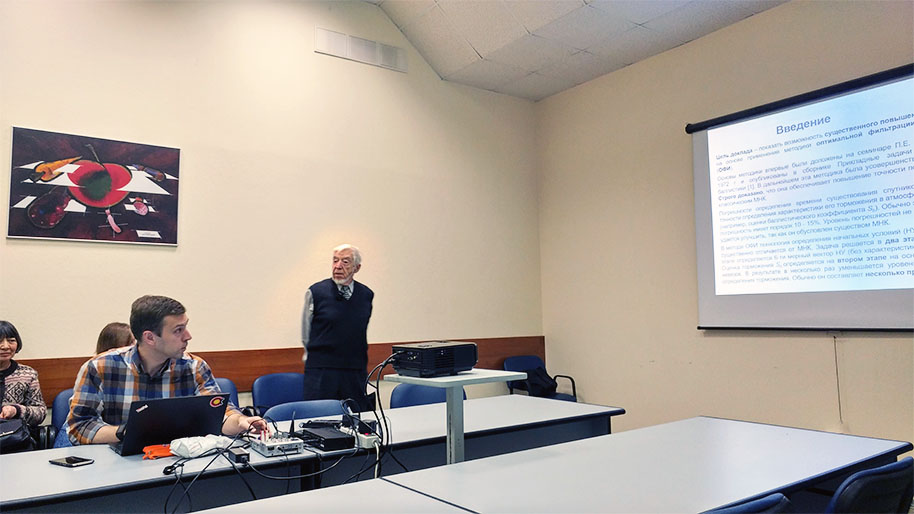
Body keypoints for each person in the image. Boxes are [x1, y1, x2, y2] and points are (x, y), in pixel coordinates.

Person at [66, 295, 266, 444]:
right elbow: (79, 427)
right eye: (178, 330)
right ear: (150, 338)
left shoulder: (194, 367)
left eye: (185, 327)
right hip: (117, 467)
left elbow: (220, 414)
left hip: (180, 465)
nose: (188, 336)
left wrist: (240, 422)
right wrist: (126, 432)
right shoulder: (100, 367)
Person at [302, 244, 374, 411]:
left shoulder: (366, 295)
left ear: (357, 268)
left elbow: (359, 330)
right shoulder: (316, 292)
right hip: (322, 369)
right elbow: (306, 332)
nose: (338, 266)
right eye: (335, 261)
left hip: (355, 368)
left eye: (345, 262)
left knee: (358, 416)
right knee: (320, 417)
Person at [0, 321, 47, 430]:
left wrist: (16, 410)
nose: (5, 346)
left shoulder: (28, 374)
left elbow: (40, 413)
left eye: (11, 341)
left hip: (14, 435)